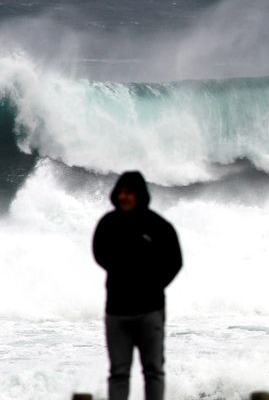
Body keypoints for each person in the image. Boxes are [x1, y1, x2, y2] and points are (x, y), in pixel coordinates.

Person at [93, 171, 183, 400]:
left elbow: (175, 260)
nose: (124, 197)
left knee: (153, 371)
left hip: (150, 311)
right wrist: (120, 270)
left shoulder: (157, 225)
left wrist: (154, 284)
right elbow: (99, 252)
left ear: (139, 195)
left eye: (129, 193)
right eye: (121, 192)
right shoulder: (108, 223)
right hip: (117, 311)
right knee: (118, 373)